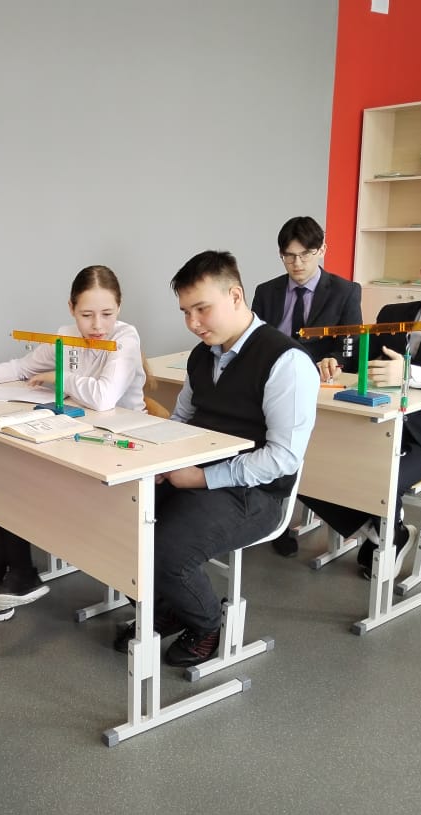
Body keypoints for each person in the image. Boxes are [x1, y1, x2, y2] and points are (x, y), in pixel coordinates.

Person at [114, 250, 318, 666]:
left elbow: (282, 458)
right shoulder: (200, 356)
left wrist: (202, 478)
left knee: (165, 552)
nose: (193, 322)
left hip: (255, 493)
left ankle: (207, 622)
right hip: (193, 475)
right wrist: (157, 464)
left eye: (202, 309)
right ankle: (174, 605)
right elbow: (181, 421)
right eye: (186, 312)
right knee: (119, 521)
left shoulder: (287, 362)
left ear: (236, 296)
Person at [0, 265, 146, 622]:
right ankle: (9, 579)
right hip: (81, 437)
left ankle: (13, 579)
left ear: (120, 307)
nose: (97, 325)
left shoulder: (125, 338)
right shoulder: (66, 336)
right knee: (9, 474)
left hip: (127, 447)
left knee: (18, 482)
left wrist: (59, 377)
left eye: (107, 314)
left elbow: (103, 397)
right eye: (86, 315)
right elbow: (24, 366)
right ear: (71, 308)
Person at [300, 237, 421, 580]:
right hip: (377, 422)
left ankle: (382, 531)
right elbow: (363, 358)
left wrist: (411, 374)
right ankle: (385, 532)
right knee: (308, 470)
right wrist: (336, 361)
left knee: (380, 480)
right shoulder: (393, 314)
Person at [252, 216, 362, 557]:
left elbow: (351, 347)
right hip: (270, 383)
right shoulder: (266, 291)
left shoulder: (345, 291)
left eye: (305, 254)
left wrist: (335, 360)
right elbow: (253, 339)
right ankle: (273, 519)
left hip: (315, 384)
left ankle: (286, 515)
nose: (297, 263)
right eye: (289, 256)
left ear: (322, 250)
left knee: (303, 450)